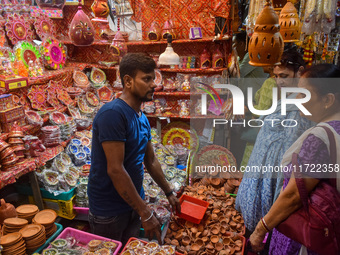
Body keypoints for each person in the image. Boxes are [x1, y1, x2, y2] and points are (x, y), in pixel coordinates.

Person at [87, 53, 181, 245]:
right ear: (128, 81)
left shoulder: (141, 117)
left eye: (153, 79)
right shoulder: (113, 114)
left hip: (133, 204)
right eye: (146, 79)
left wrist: (168, 191)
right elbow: (115, 169)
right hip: (109, 211)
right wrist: (145, 212)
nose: (153, 84)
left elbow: (151, 160)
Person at [249, 64, 340, 255]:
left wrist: (260, 230)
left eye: (303, 95)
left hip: (308, 237)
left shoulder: (320, 139)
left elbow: (293, 195)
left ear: (328, 100)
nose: (297, 100)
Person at [235, 47, 315, 232]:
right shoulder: (286, 100)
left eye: (285, 76)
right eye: (276, 76)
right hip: (261, 172)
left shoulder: (303, 106)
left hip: (275, 177)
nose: (279, 81)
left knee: (266, 229)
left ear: (300, 72)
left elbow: (290, 153)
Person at [230, 30, 268, 166]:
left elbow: (236, 72)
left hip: (255, 102)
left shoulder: (251, 57)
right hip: (249, 101)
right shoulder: (242, 57)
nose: (233, 48)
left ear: (241, 44)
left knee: (247, 134)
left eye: (234, 45)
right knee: (242, 131)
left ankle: (243, 161)